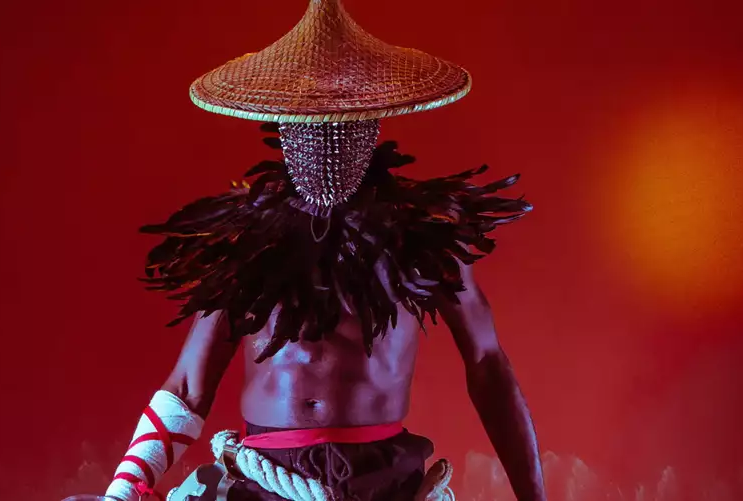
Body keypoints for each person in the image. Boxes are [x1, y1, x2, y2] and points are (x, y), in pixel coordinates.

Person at [98, 1, 546, 500]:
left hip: (387, 482)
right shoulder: (247, 246)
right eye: (312, 120)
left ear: (372, 125)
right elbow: (187, 389)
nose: (327, 133)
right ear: (284, 130)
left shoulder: (424, 243)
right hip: (262, 478)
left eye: (343, 119)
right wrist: (124, 489)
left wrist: (534, 496)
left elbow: (487, 364)